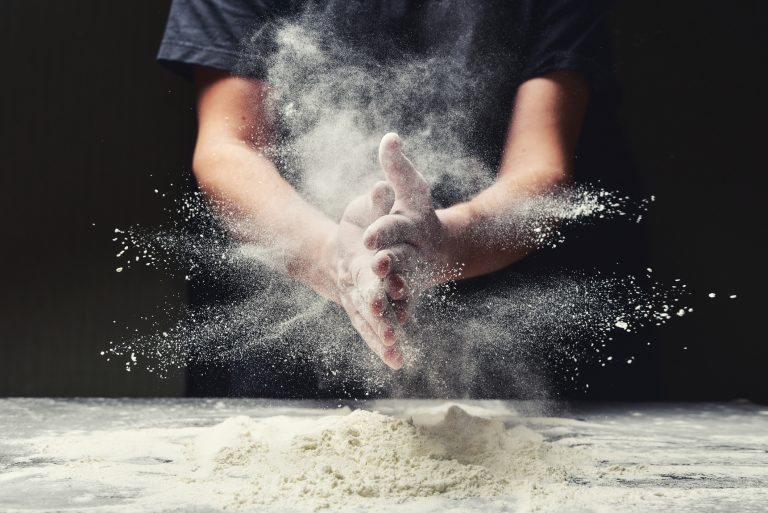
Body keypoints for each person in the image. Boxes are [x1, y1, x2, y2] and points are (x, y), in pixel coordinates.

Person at [158, 0, 654, 398]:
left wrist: (442, 243)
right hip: (293, 314)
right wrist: (333, 257)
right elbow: (229, 148)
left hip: (507, 293)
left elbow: (541, 169)